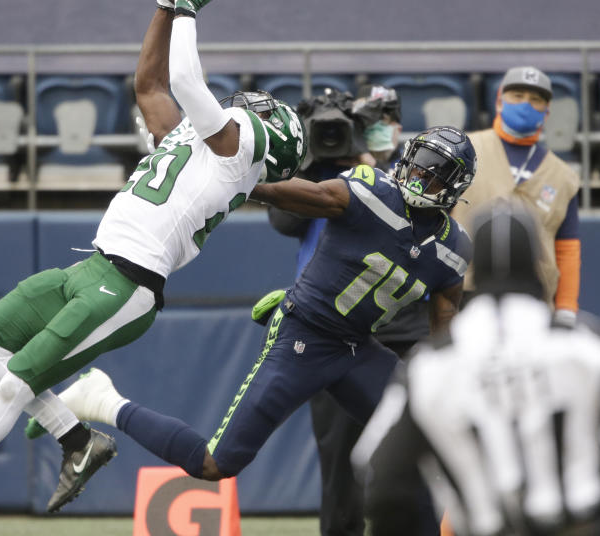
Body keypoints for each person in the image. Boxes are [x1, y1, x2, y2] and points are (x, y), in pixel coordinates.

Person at [0, 0, 307, 526]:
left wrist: (189, 9)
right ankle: (76, 439)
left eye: (259, 111)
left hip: (127, 285)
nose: (244, 107)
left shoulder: (239, 154)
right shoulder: (203, 142)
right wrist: (165, 5)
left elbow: (188, 79)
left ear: (268, 141)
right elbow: (150, 85)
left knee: (16, 384)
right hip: (90, 268)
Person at [42, 126, 477, 534]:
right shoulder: (371, 191)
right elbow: (298, 196)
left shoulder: (454, 248)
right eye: (419, 164)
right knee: (215, 465)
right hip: (305, 335)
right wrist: (230, 176)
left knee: (429, 447)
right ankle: (103, 400)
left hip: (358, 348)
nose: (420, 177)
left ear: (456, 187)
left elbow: (445, 332)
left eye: (435, 175)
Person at [352, 200, 600, 536]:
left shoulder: (429, 365)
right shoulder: (591, 343)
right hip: (585, 524)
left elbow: (380, 474)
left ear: (474, 265)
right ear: (537, 262)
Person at [268, 84, 412, 536]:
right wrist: (314, 164)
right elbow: (285, 220)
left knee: (412, 450)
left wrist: (367, 164)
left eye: (382, 119)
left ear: (395, 125)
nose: (372, 130)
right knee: (339, 460)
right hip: (332, 326)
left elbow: (416, 217)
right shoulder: (320, 175)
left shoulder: (414, 168)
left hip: (405, 322)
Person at [450, 66, 581, 322]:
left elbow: (567, 248)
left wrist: (566, 307)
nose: (525, 104)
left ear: (546, 111)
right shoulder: (461, 149)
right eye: (517, 96)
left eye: (536, 100)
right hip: (461, 294)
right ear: (499, 101)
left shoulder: (563, 176)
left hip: (533, 301)